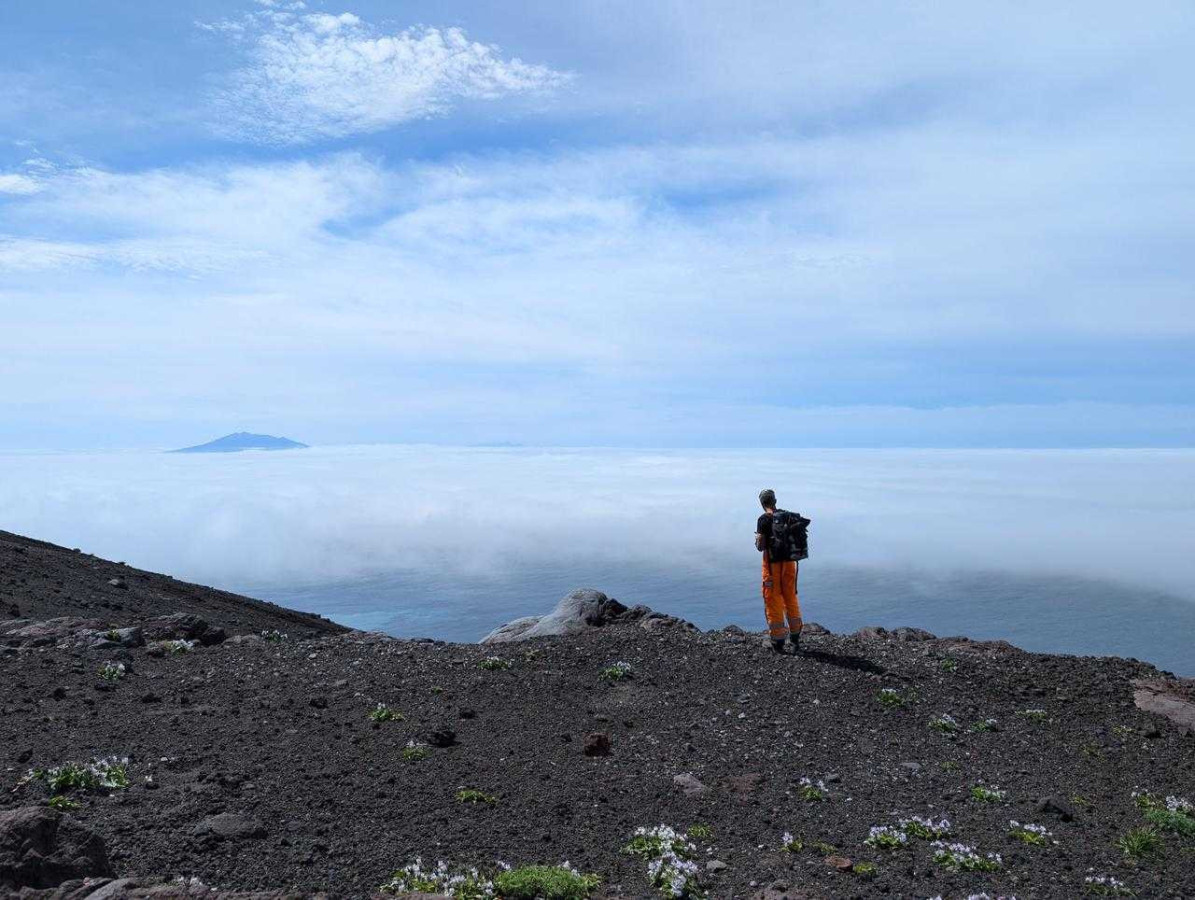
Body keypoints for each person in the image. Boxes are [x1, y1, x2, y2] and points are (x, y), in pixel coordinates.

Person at [755, 488, 807, 654]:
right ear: (775, 501)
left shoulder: (764, 519)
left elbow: (761, 546)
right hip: (790, 564)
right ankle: (795, 636)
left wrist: (757, 539)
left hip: (772, 566)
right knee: (790, 597)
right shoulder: (787, 516)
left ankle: (777, 641)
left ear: (762, 503)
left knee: (773, 599)